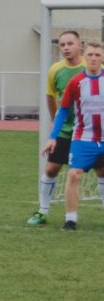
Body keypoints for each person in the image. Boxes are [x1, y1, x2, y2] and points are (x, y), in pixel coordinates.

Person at [43, 39, 104, 231]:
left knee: (103, 174)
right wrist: (53, 136)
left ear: (103, 58)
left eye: (98, 55)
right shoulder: (76, 82)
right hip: (82, 138)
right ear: (85, 57)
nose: (93, 59)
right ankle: (70, 220)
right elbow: (63, 110)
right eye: (90, 55)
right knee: (73, 174)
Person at [28, 31, 85, 225]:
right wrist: (55, 121)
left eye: (70, 43)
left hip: (88, 131)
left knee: (101, 170)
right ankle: (43, 211)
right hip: (65, 130)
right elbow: (51, 96)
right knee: (51, 169)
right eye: (62, 45)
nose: (66, 48)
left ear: (80, 45)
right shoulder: (55, 70)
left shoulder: (92, 68)